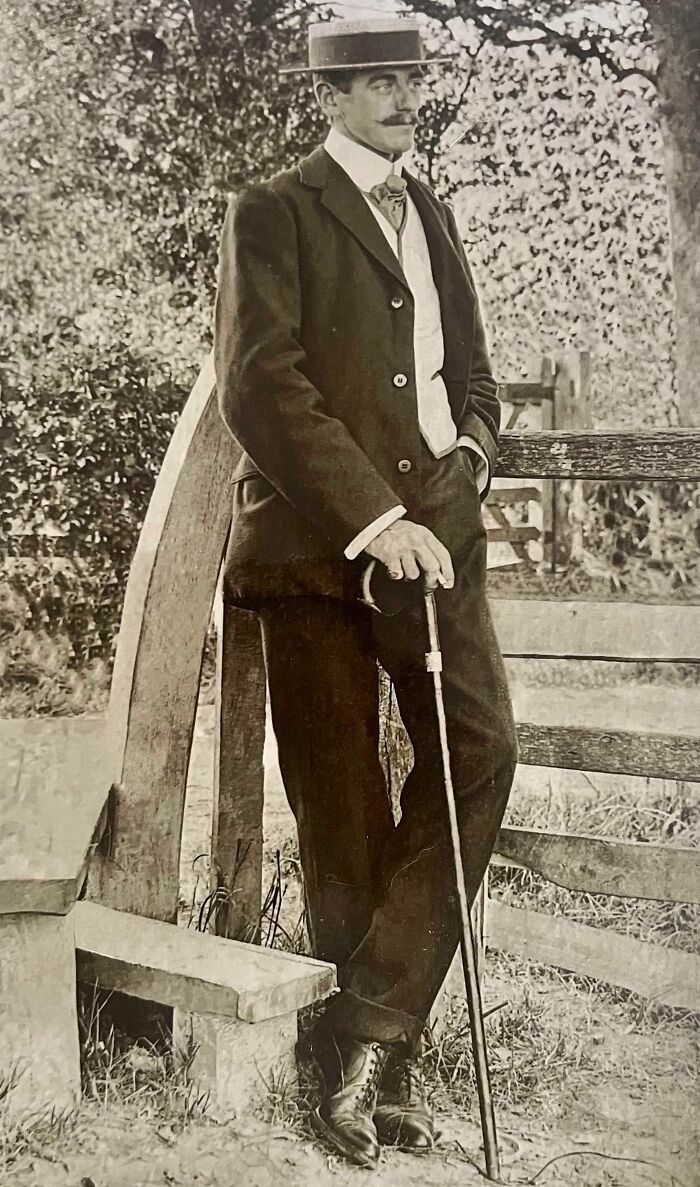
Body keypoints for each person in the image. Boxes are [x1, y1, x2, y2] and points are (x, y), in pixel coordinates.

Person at [214, 15, 517, 1169]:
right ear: (328, 98)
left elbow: (471, 375)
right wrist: (375, 520)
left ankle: (368, 1027)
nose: (400, 97)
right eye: (375, 81)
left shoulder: (429, 212)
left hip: (436, 534)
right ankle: (356, 1069)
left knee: (481, 750)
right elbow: (261, 380)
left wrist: (468, 459)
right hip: (316, 546)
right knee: (339, 801)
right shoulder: (272, 210)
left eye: (409, 78)